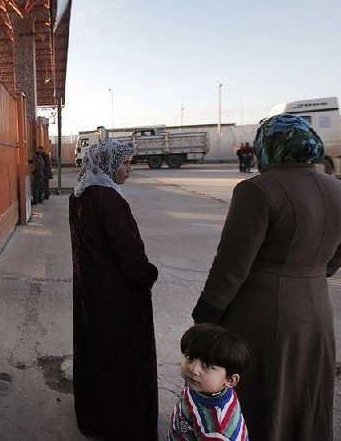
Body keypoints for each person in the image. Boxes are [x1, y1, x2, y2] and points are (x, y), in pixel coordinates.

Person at [192, 114, 341, 441]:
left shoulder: (258, 191)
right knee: (305, 396)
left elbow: (232, 265)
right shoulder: (339, 191)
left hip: (263, 318)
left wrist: (205, 317)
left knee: (265, 400)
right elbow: (337, 258)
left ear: (269, 145)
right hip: (317, 313)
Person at [68, 139, 159, 439]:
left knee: (96, 356)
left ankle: (95, 419)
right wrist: (147, 275)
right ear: (107, 164)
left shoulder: (79, 195)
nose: (129, 169)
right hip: (117, 298)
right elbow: (130, 254)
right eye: (124, 163)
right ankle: (124, 427)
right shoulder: (109, 199)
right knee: (122, 363)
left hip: (89, 292)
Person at [169, 324, 250, 441]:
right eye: (190, 357)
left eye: (207, 365)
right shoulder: (203, 387)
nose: (193, 369)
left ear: (231, 380)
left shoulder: (217, 429)